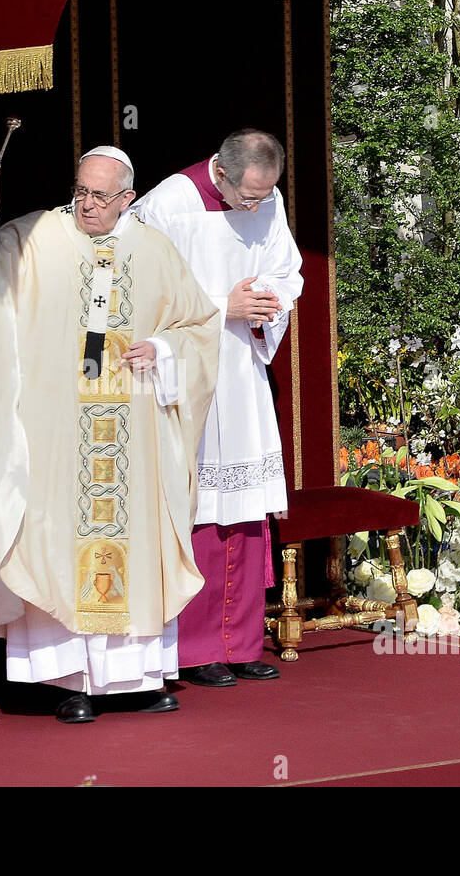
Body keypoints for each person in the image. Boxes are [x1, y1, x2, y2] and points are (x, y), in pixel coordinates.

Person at [0, 146, 221, 723]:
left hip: (134, 424)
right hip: (56, 427)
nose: (87, 204)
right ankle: (67, 679)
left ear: (127, 198)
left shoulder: (153, 250)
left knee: (135, 538)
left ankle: (133, 680)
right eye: (82, 190)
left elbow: (199, 325)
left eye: (101, 196)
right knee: (58, 537)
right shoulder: (35, 238)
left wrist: (164, 349)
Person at [133, 129, 304, 687]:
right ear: (221, 174)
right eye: (248, 197)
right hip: (190, 373)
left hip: (243, 371)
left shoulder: (266, 198)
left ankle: (242, 642)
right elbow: (137, 291)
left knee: (245, 508)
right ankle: (197, 648)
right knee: (202, 509)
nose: (256, 207)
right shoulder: (167, 206)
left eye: (265, 196)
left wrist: (265, 305)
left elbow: (286, 268)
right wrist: (220, 305)